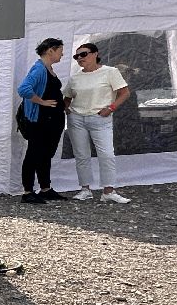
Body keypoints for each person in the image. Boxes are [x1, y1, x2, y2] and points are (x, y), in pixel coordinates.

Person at [62, 41, 131, 204]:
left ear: (95, 54)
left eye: (83, 54)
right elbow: (67, 97)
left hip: (100, 118)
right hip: (77, 119)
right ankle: (85, 189)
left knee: (106, 154)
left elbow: (125, 92)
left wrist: (111, 108)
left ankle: (108, 190)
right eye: (76, 56)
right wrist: (67, 109)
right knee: (81, 155)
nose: (80, 58)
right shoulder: (75, 77)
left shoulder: (110, 72)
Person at [16, 37, 67, 205]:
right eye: (60, 50)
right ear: (50, 50)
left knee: (45, 154)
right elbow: (23, 89)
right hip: (40, 120)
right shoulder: (39, 69)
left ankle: (45, 188)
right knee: (34, 154)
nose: (62, 54)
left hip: (51, 120)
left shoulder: (47, 68)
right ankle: (27, 191)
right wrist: (41, 101)